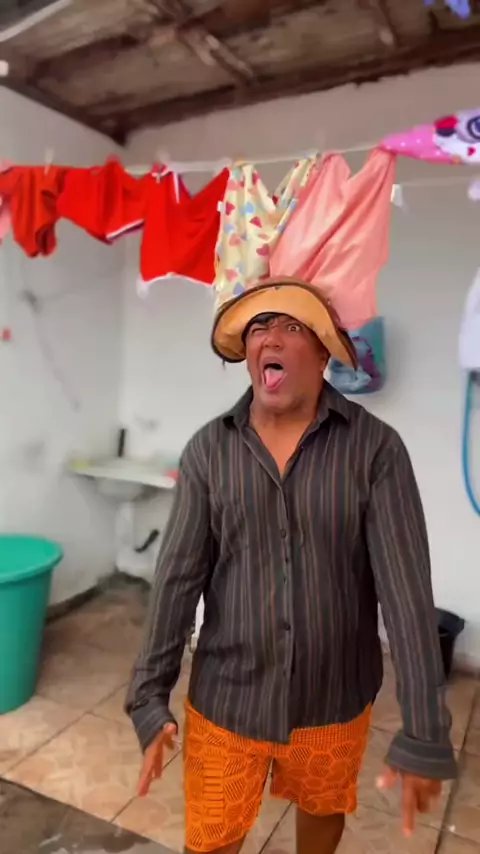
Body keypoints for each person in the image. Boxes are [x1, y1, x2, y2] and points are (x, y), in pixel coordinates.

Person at [126, 276, 456, 854]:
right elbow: (177, 580)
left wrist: (426, 731)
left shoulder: (376, 449)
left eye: (292, 326)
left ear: (323, 353)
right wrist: (148, 697)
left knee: (322, 811)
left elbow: (406, 594)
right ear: (248, 352)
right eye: (260, 326)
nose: (270, 338)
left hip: (333, 699)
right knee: (211, 837)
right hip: (228, 699)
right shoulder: (209, 450)